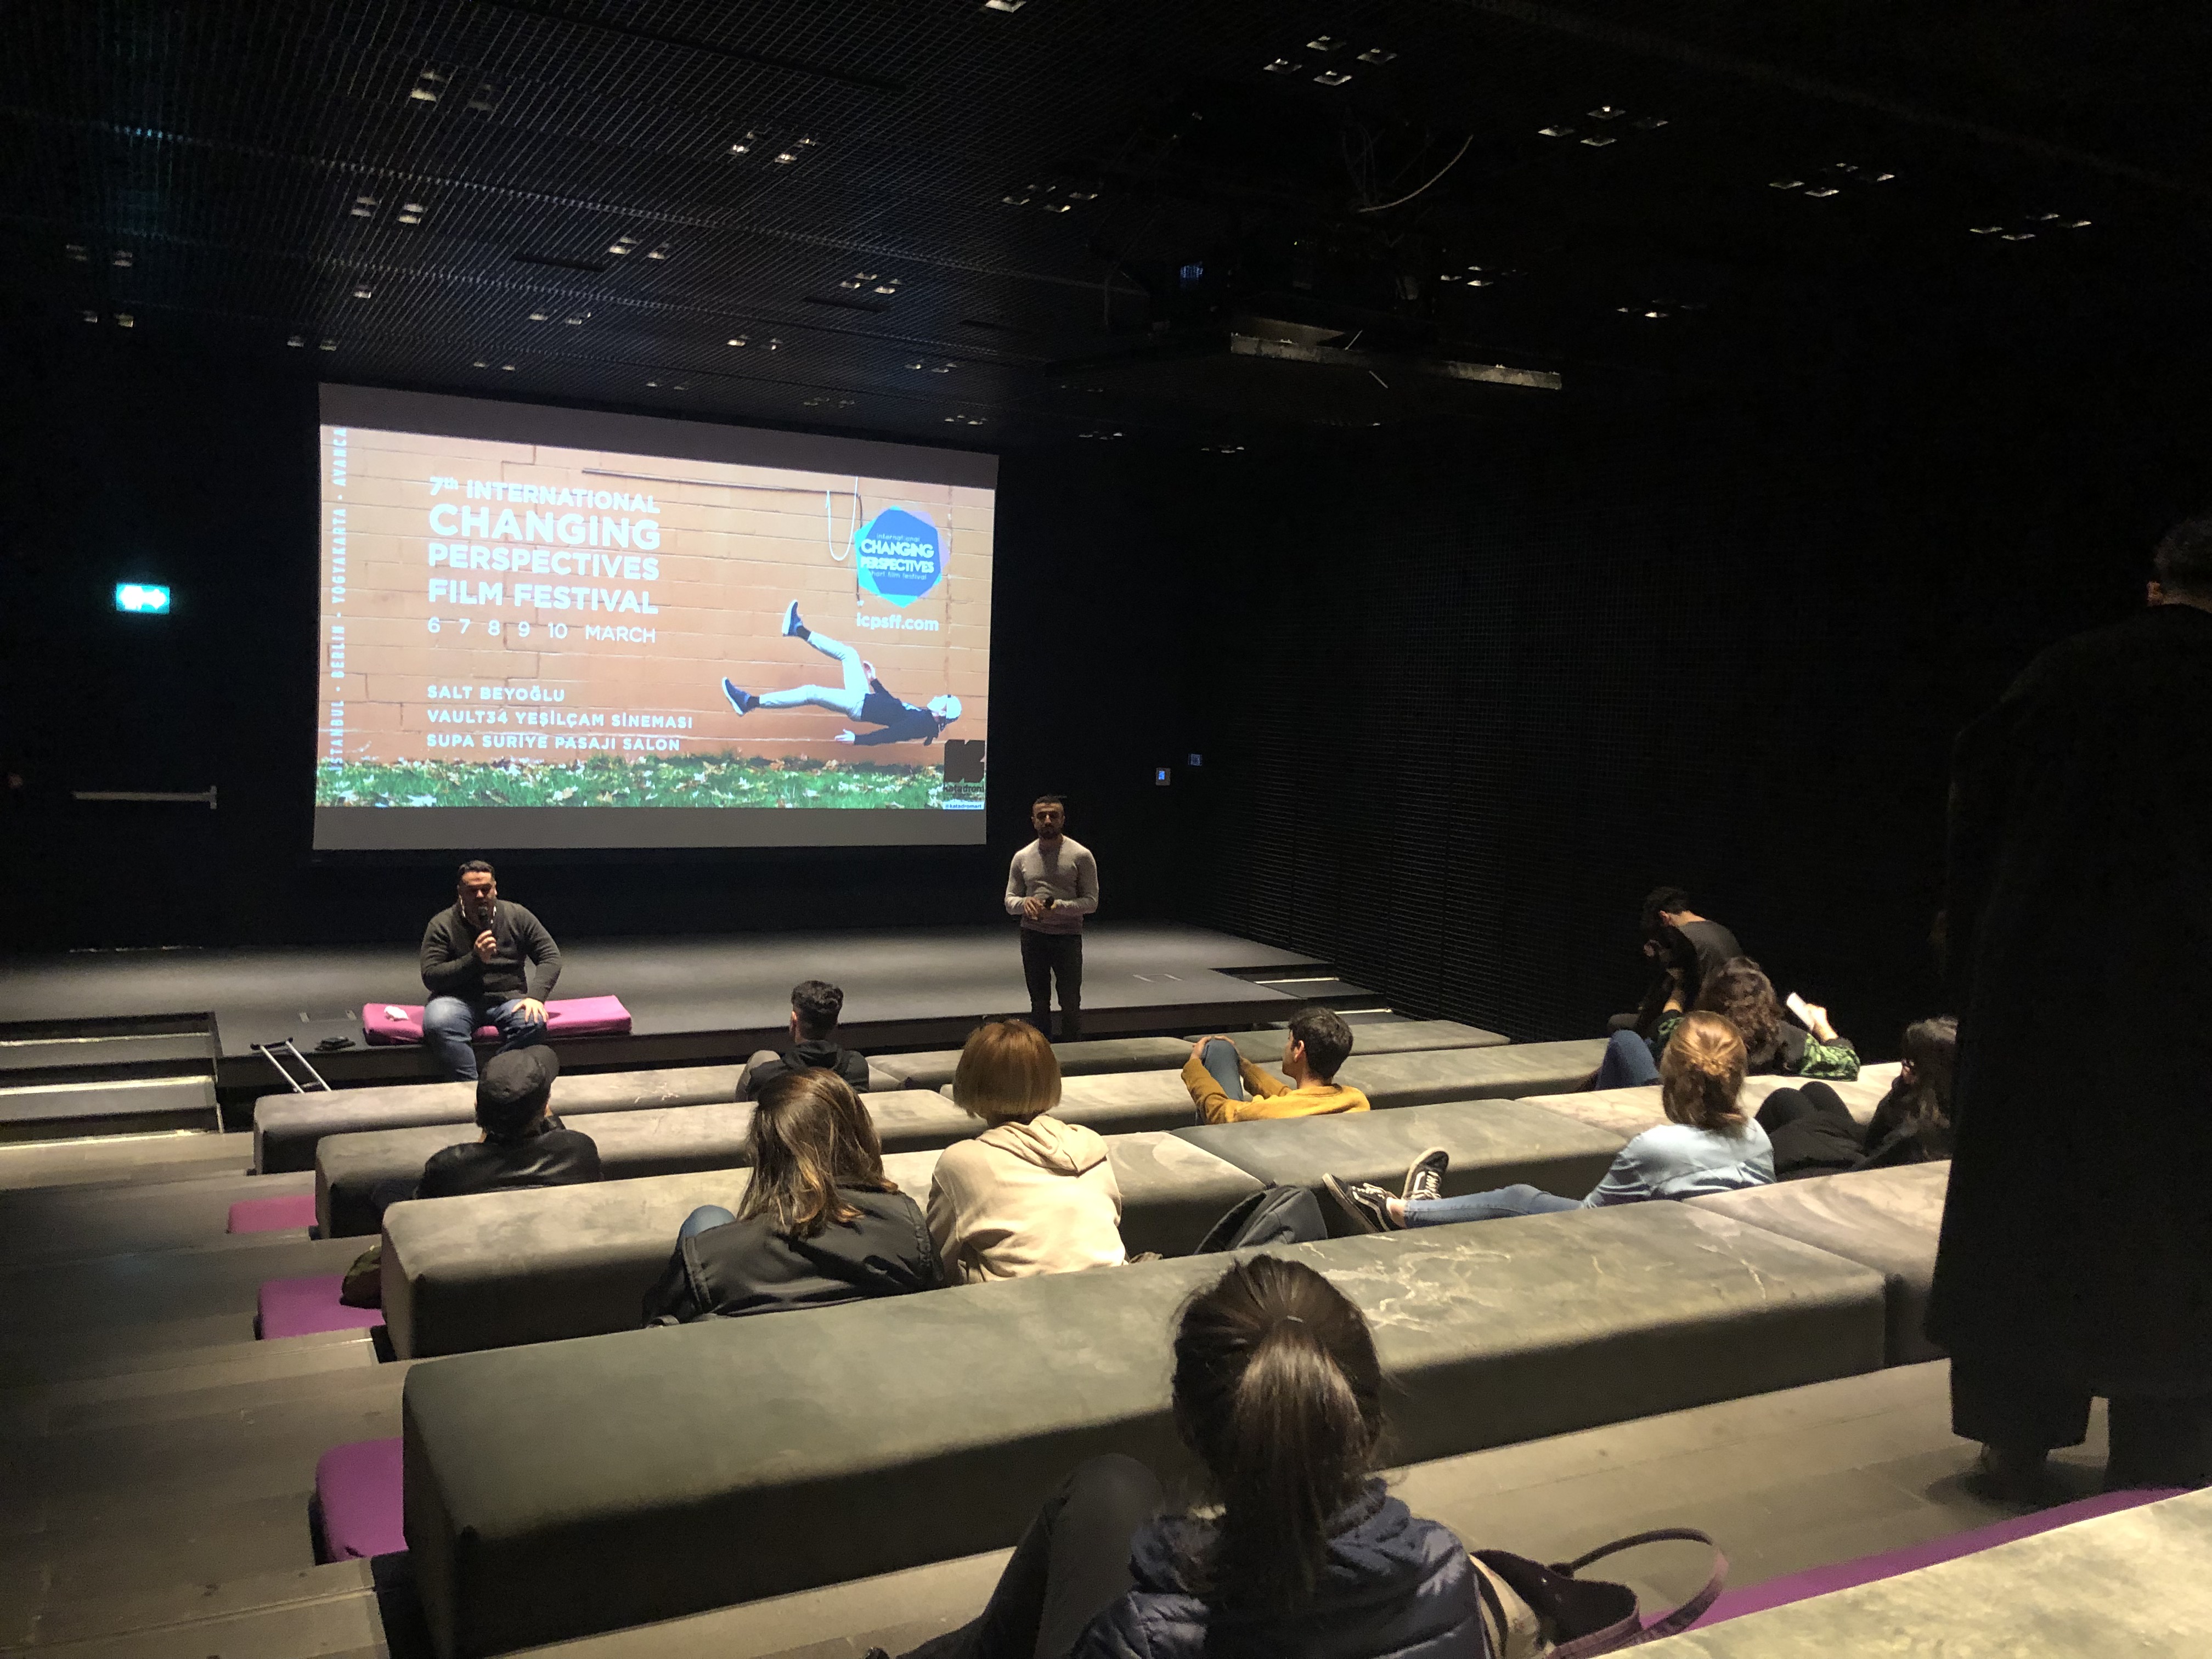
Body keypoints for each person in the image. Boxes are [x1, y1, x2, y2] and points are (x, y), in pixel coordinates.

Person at [1929, 513, 2212, 1497]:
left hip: (2043, 1001)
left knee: (2031, 1217)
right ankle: (2165, 1451)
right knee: (2180, 1226)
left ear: (2157, 584)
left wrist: (1974, 979)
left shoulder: (2059, 675)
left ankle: (2014, 1441)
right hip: (2189, 1018)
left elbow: (1973, 830)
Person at [882, 1255, 1485, 1659]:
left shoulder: (1142, 1636)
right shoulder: (1447, 1568)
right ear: (1369, 1421)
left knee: (1108, 1487)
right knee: (1109, 1487)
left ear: (1186, 1425)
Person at [1327, 1011, 1771, 1232]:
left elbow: (1588, 1222)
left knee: (1519, 1197)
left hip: (1646, 1248)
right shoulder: (1757, 1137)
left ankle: (1399, 1212)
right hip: (1703, 1243)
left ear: (1669, 1074)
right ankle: (1425, 1204)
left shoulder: (1657, 1148)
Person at [644, 1070, 941, 1323]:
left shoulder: (709, 1257)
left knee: (707, 1218)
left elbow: (657, 1325)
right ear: (860, 1139)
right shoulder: (908, 1229)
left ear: (763, 1156)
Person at [927, 1019, 1125, 1283]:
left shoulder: (960, 1162)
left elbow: (935, 1267)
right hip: (1119, 1291)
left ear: (970, 1079)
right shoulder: (1091, 1144)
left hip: (1025, 1304)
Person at [381, 1047, 601, 1214]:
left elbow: (418, 1214)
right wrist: (549, 1122)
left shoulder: (449, 1166)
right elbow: (564, 1146)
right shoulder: (581, 1151)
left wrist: (483, 1141)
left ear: (477, 1107)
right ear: (545, 1108)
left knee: (386, 1190)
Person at [721, 601, 961, 746]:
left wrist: (858, 740)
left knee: (811, 693)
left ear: (942, 713)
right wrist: (874, 681)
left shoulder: (922, 724)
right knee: (849, 654)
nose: (938, 698)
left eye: (943, 701)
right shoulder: (925, 717)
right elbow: (894, 708)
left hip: (858, 705)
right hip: (865, 696)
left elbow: (890, 735)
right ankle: (798, 629)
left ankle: (749, 703)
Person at [1760, 1015, 1958, 1181]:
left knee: (1784, 1103)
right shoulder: (1941, 1100)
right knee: (1815, 1090)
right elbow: (1875, 1134)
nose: (1904, 1066)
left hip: (1862, 1173)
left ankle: (1750, 1163)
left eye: (1912, 1063)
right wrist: (1904, 1085)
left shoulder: (1916, 1134)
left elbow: (1864, 1172)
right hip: (1873, 1149)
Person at [417, 859, 561, 1081]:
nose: (480, 896)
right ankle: (468, 1086)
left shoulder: (517, 915)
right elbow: (431, 976)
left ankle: (493, 1080)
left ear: (495, 889)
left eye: (486, 889)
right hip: (457, 999)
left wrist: (536, 997)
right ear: (460, 892)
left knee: (533, 1023)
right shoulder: (442, 924)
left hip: (508, 998)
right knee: (438, 1023)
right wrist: (475, 959)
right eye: (472, 890)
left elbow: (550, 956)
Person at [1005, 795, 1098, 1040]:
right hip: (1033, 936)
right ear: (1033, 821)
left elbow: (1091, 902)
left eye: (1053, 816)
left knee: (1070, 1002)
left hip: (1068, 937)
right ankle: (1040, 1052)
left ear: (1063, 820)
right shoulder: (1022, 857)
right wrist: (1026, 903)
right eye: (1042, 816)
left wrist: (1058, 907)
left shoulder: (1081, 855)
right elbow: (1010, 901)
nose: (1048, 821)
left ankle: (1074, 1051)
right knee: (1038, 1002)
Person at [1181, 1006, 1369, 1122]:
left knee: (1217, 1049)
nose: (1286, 1046)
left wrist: (1194, 1065)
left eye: (1289, 1040)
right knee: (1223, 1050)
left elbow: (1219, 1111)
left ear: (1299, 1049)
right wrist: (1243, 1065)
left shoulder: (1265, 1112)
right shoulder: (1356, 1100)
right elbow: (1297, 1099)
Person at [1616, 887, 1743, 1036]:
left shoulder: (1683, 938)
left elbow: (1673, 991)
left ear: (1664, 917)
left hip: (1702, 1024)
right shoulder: (1723, 931)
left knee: (1618, 1024)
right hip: (1733, 1019)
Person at [736, 979, 872, 1101]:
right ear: (835, 1023)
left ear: (794, 1019)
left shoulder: (767, 1076)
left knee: (762, 1056)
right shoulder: (856, 1067)